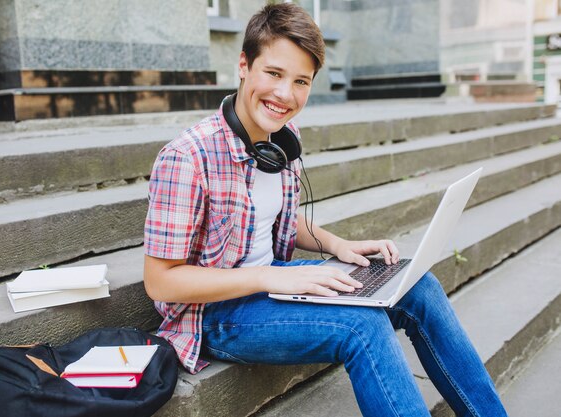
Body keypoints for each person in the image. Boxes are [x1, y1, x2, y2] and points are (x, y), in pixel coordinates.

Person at [143, 3, 507, 416]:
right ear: (244, 65)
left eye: (301, 81)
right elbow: (161, 282)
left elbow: (271, 217)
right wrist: (267, 277)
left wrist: (338, 245)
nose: (285, 94)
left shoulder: (282, 139)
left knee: (417, 284)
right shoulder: (187, 158)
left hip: (270, 282)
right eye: (274, 73)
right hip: (213, 315)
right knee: (362, 327)